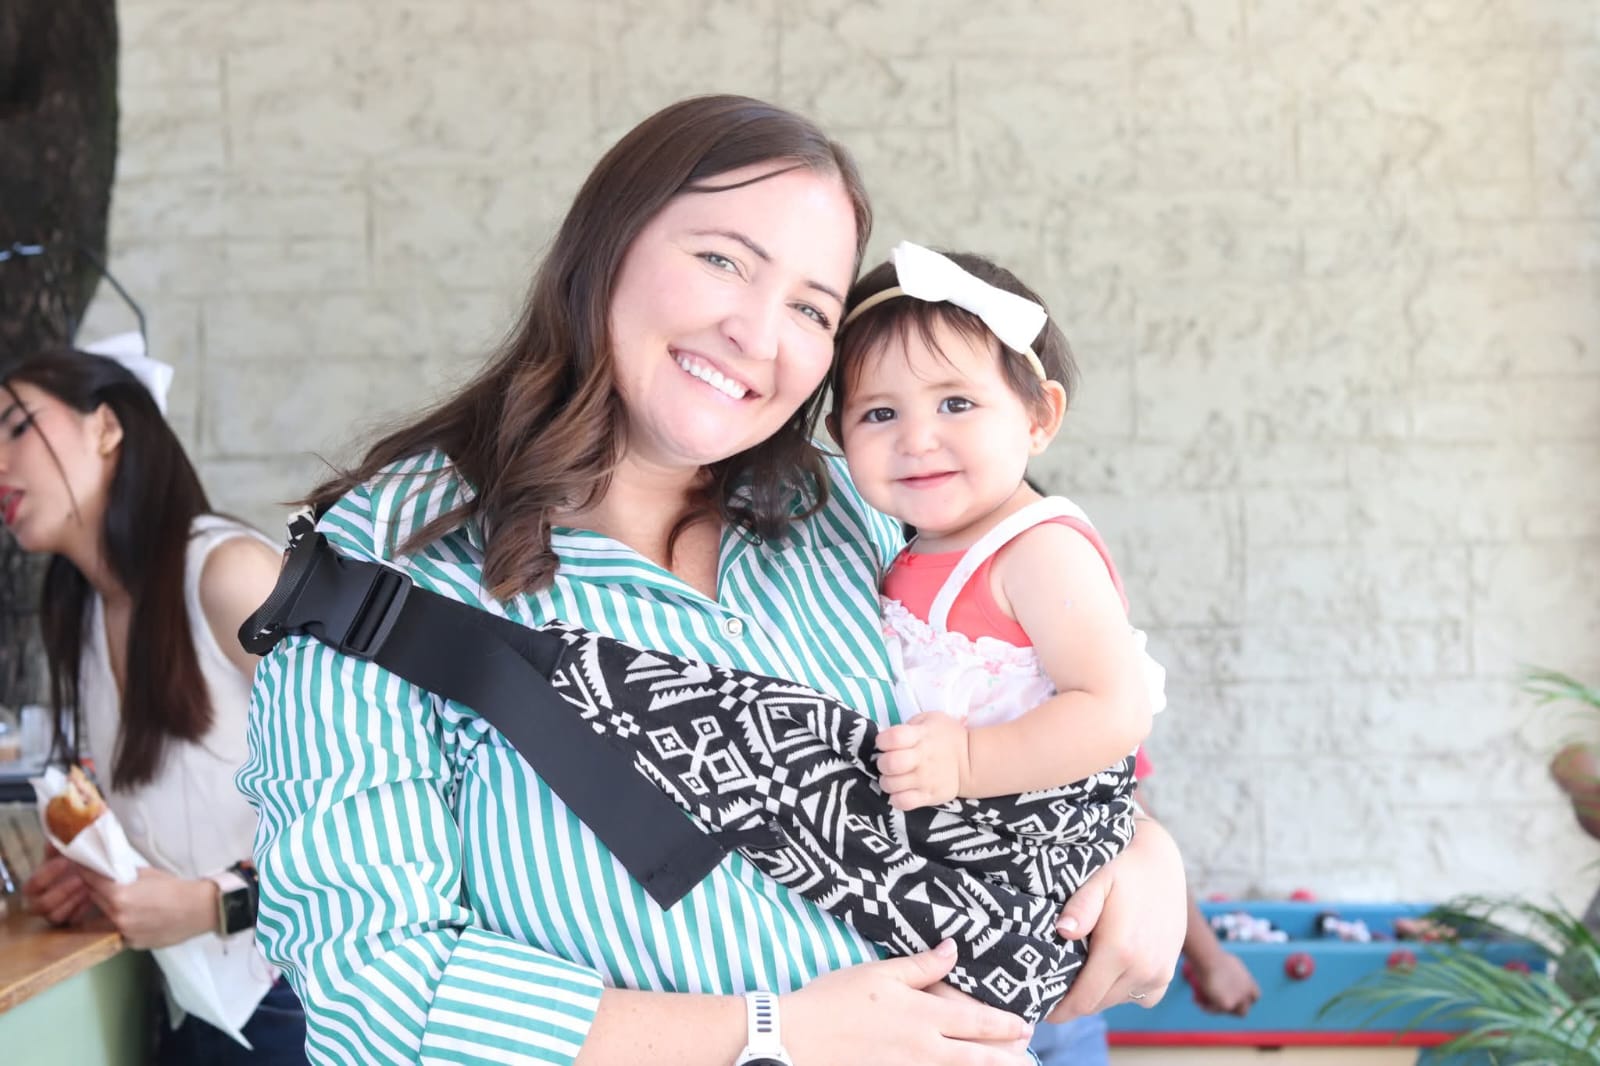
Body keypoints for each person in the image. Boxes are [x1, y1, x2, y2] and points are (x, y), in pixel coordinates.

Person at [238, 94, 1188, 1066]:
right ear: (604, 247)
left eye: (811, 308)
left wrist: (1145, 853)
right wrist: (771, 1034)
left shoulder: (852, 519)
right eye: (723, 260)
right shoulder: (392, 562)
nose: (757, 334)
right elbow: (372, 991)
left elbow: (1012, 721)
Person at [3, 347, 309, 1064]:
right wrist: (96, 872)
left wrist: (215, 903)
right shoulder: (83, 614)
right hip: (189, 1003)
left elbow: (386, 806)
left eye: (17, 427)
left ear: (107, 426)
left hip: (301, 1002)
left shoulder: (228, 573)